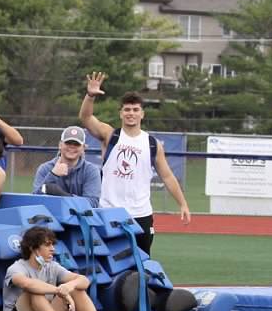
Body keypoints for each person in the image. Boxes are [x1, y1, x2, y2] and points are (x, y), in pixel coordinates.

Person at [78, 72, 191, 254]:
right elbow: (85, 118)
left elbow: (168, 177)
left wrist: (183, 204)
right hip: (109, 211)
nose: (131, 113)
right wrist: (90, 96)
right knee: (109, 261)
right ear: (121, 113)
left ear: (142, 114)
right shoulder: (110, 135)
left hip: (141, 214)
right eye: (127, 110)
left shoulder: (152, 144)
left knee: (141, 264)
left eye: (135, 110)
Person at [2, 226, 119, 311]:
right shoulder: (16, 268)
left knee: (76, 288)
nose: (52, 249)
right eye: (47, 245)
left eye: (53, 245)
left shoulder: (53, 266)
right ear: (33, 248)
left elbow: (84, 280)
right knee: (33, 291)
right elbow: (27, 284)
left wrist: (68, 287)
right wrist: (60, 291)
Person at [32, 125, 102, 207]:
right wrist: (53, 175)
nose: (72, 147)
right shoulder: (45, 168)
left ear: (83, 148)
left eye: (77, 144)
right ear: (60, 145)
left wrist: (62, 195)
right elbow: (35, 200)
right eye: (68, 143)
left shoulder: (91, 170)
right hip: (51, 216)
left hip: (80, 218)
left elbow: (92, 203)